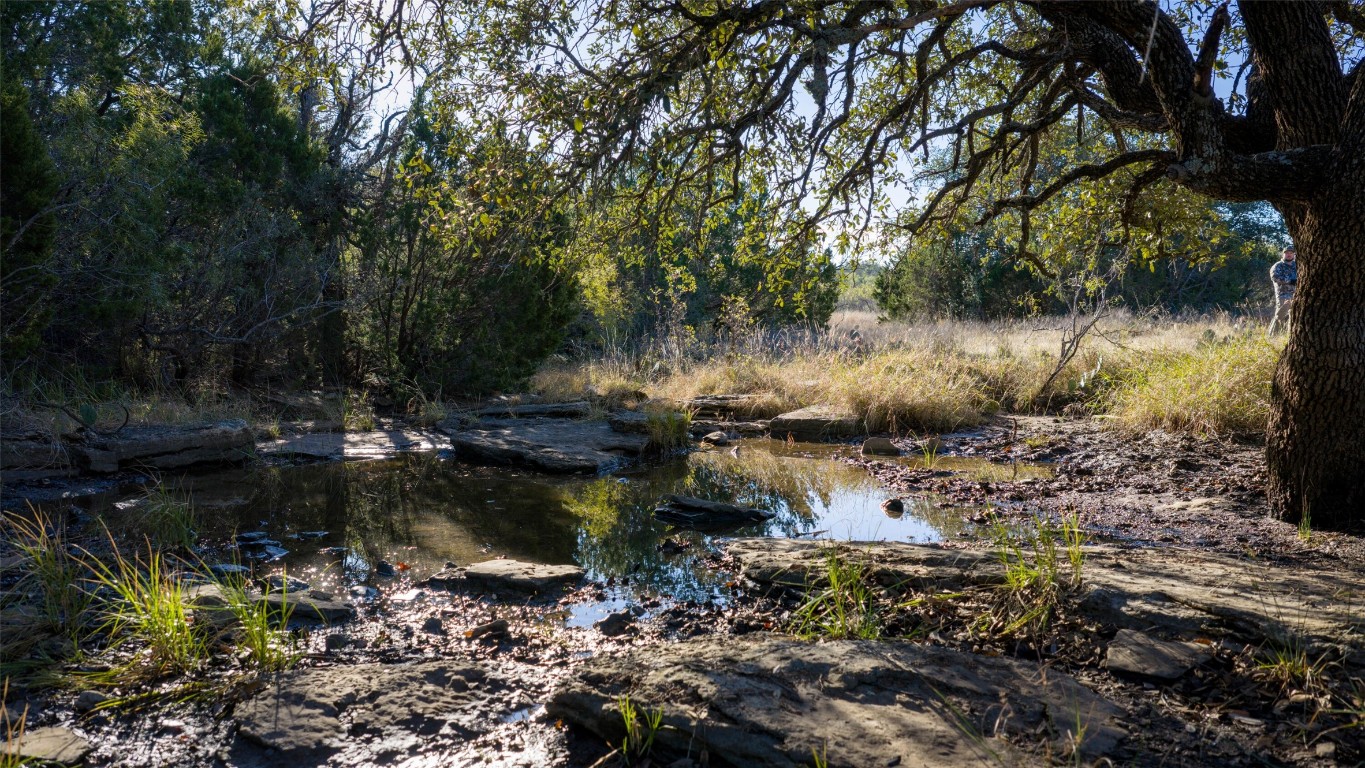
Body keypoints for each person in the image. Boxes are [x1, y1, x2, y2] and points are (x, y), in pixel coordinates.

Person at [1268, 247, 1297, 335]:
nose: (1289, 254)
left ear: (1294, 254)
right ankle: (1273, 336)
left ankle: (1289, 335)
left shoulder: (1297, 265)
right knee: (1280, 316)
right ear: (1283, 254)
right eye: (1286, 253)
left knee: (1293, 317)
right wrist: (1291, 281)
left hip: (1296, 295)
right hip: (1283, 295)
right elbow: (1275, 278)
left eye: (1291, 253)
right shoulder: (1278, 265)